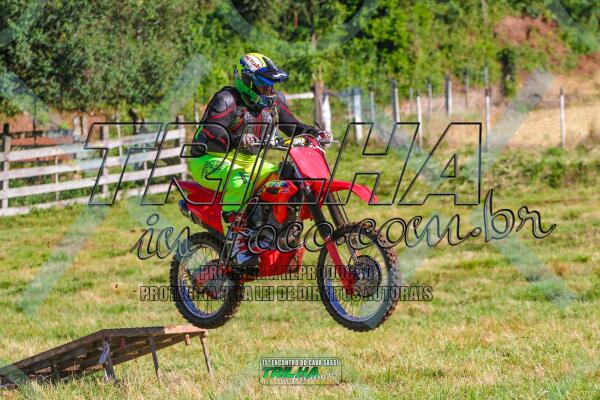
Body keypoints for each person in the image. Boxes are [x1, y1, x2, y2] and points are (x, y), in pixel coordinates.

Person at [189, 53, 331, 266]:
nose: (269, 89)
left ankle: (268, 231)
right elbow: (209, 133)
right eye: (263, 84)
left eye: (271, 84)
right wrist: (236, 140)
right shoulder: (226, 99)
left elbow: (292, 125)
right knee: (240, 180)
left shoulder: (273, 101)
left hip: (246, 161)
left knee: (285, 179)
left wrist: (313, 133)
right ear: (247, 81)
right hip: (209, 159)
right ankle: (236, 243)